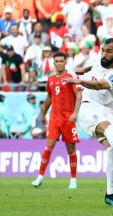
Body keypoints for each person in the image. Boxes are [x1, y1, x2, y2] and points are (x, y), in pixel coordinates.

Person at [63, 38, 113, 208]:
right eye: (103, 50)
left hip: (105, 110)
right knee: (109, 131)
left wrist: (79, 81)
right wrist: (73, 72)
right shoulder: (97, 61)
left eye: (109, 51)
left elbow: (100, 85)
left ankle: (110, 194)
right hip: (87, 108)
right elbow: (87, 68)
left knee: (111, 150)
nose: (104, 54)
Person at [31, 51, 82, 189]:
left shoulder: (70, 76)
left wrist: (76, 112)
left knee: (71, 149)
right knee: (48, 146)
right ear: (54, 63)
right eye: (57, 61)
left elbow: (78, 95)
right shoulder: (51, 79)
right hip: (54, 118)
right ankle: (40, 177)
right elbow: (49, 97)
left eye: (61, 61)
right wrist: (43, 113)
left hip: (68, 119)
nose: (59, 63)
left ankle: (73, 179)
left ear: (65, 62)